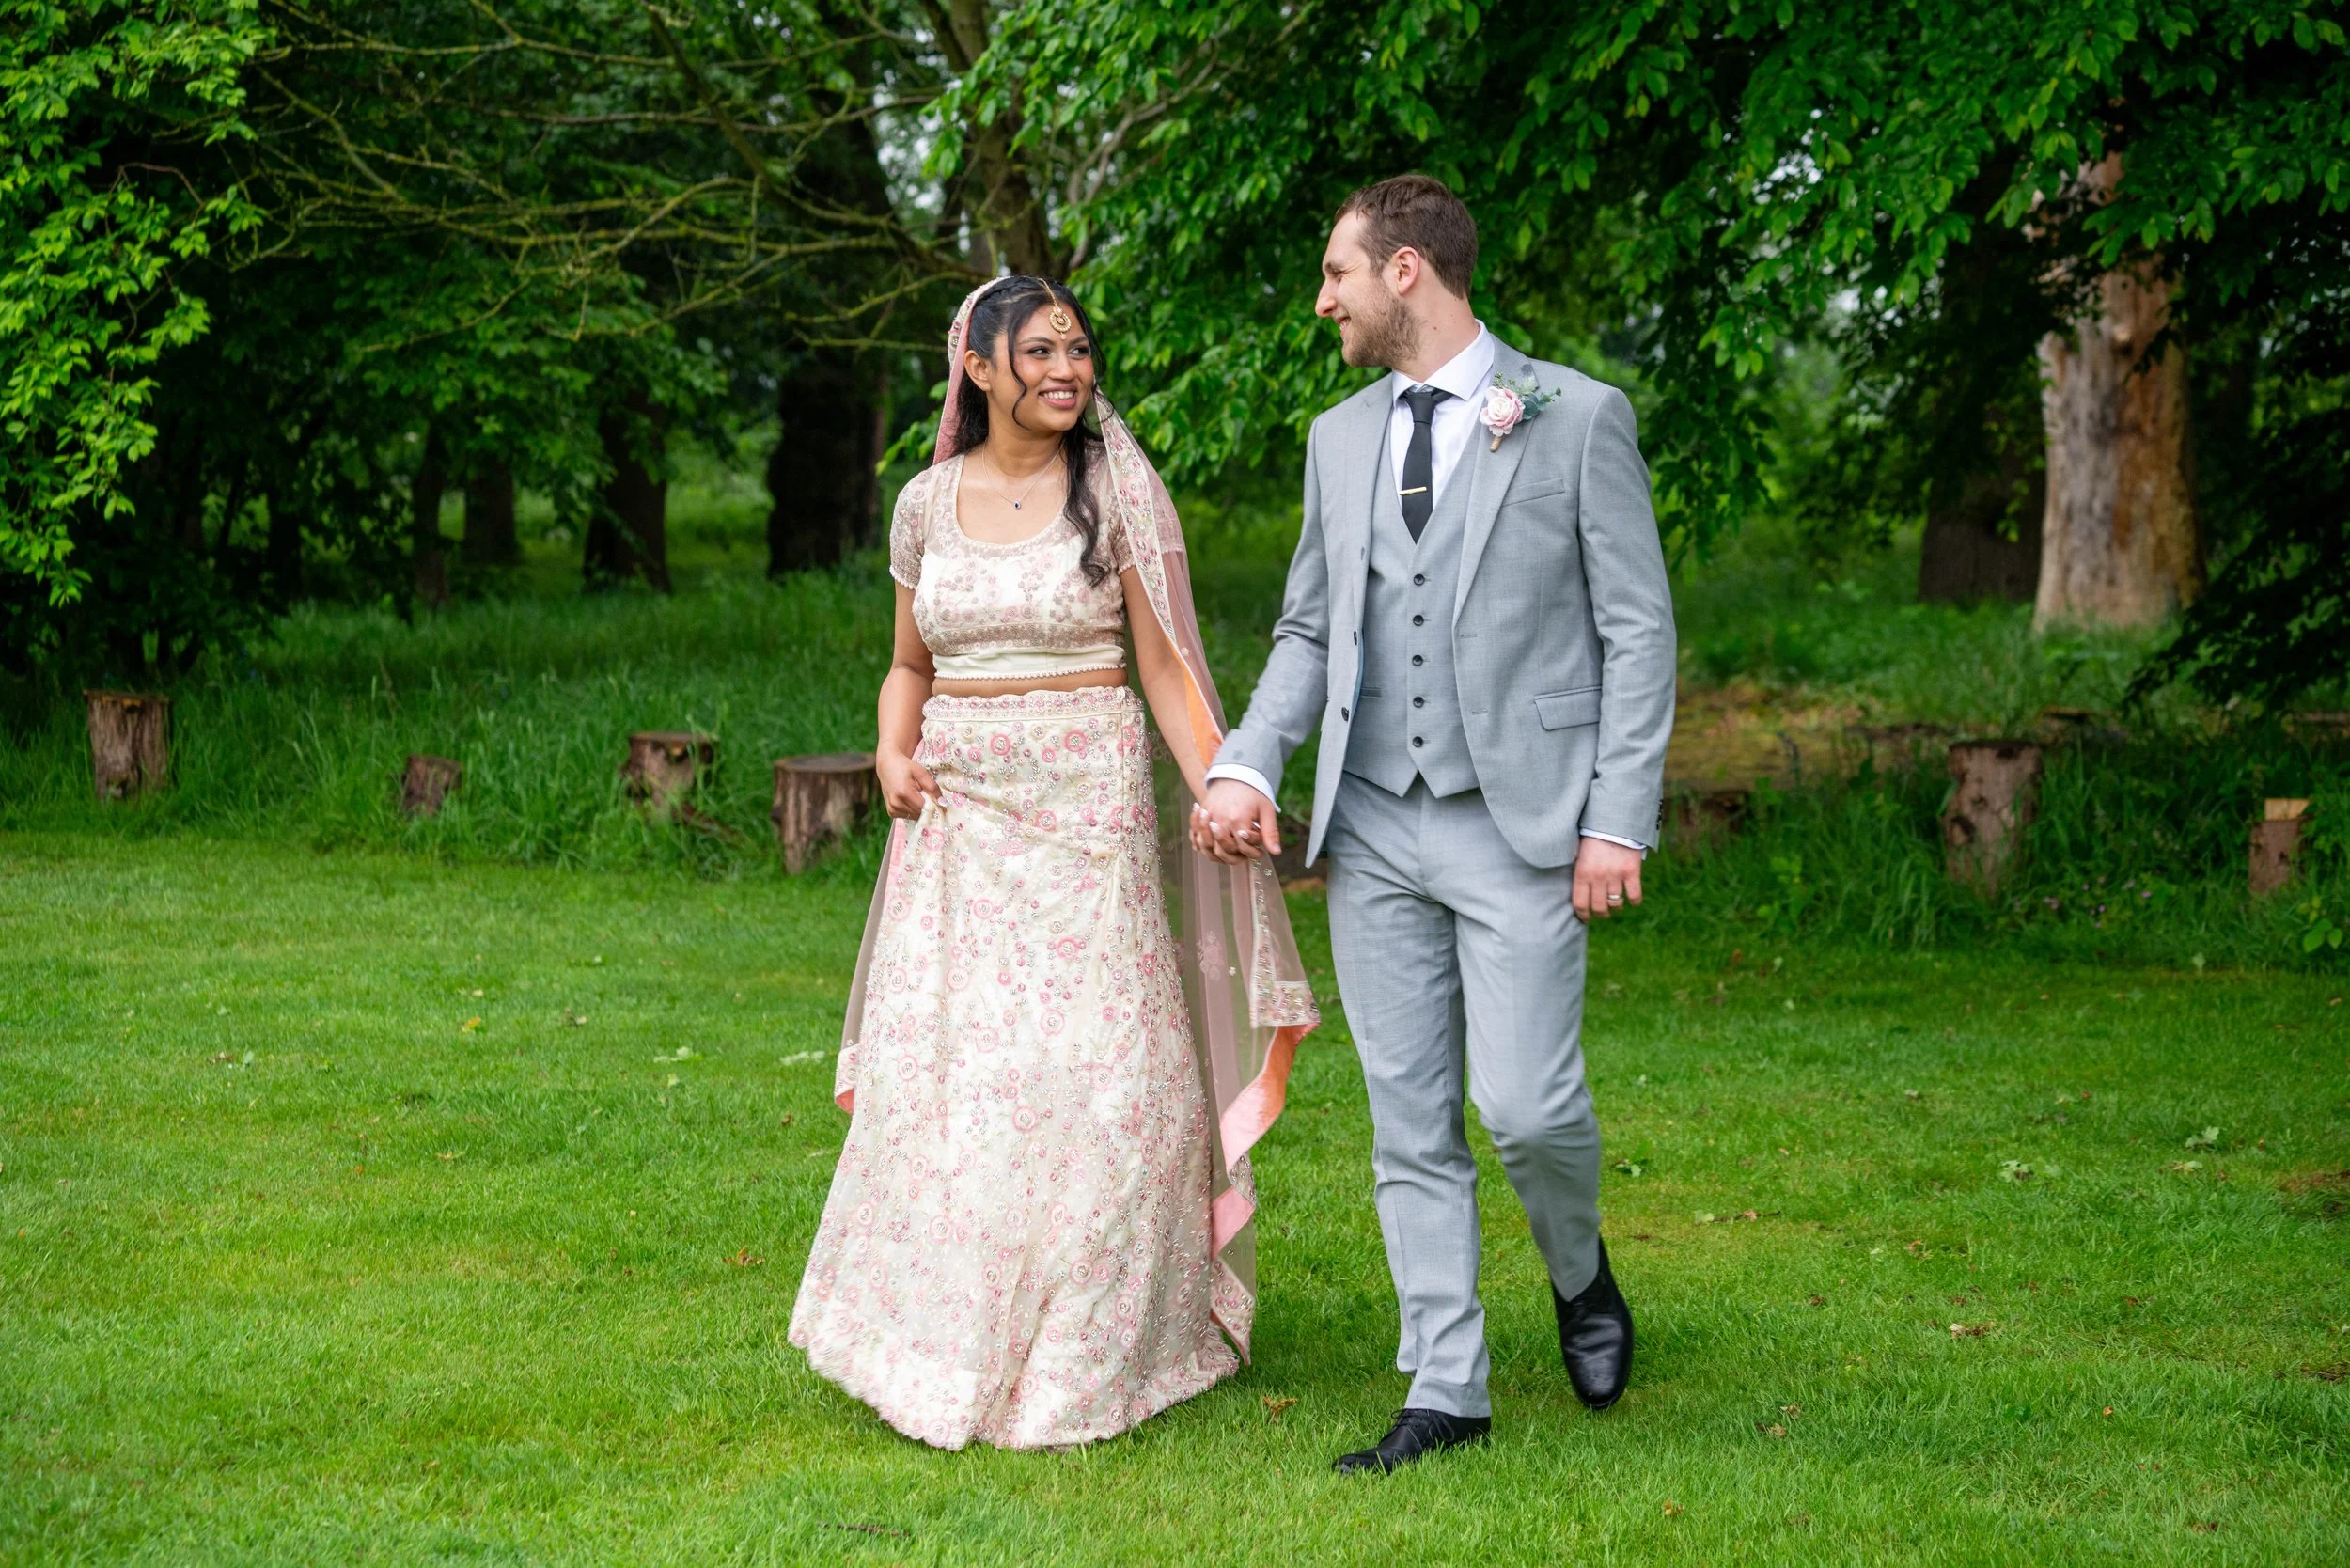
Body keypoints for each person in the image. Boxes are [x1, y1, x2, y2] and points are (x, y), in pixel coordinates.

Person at [1195, 175, 1676, 1473]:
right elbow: (1308, 625)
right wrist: (1250, 761)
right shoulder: (1337, 439)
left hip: (1522, 824)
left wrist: (1616, 819)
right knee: (1408, 1115)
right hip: (1373, 831)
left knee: (1524, 1106)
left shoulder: (1577, 417)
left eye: (1336, 275)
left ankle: (1579, 1273)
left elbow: (1638, 631)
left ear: (1404, 273)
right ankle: (1446, 1386)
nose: (1323, 302)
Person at [789, 276, 1319, 1450]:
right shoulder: (923, 505)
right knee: (964, 1077)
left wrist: (1224, 781)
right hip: (959, 821)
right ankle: (945, 1332)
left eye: (1077, 348)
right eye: (1036, 351)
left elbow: (1170, 669)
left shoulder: (1115, 491)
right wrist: (888, 749)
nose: (1064, 369)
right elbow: (908, 667)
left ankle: (1094, 1339)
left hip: (1087, 807)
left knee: (1101, 1072)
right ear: (975, 368)